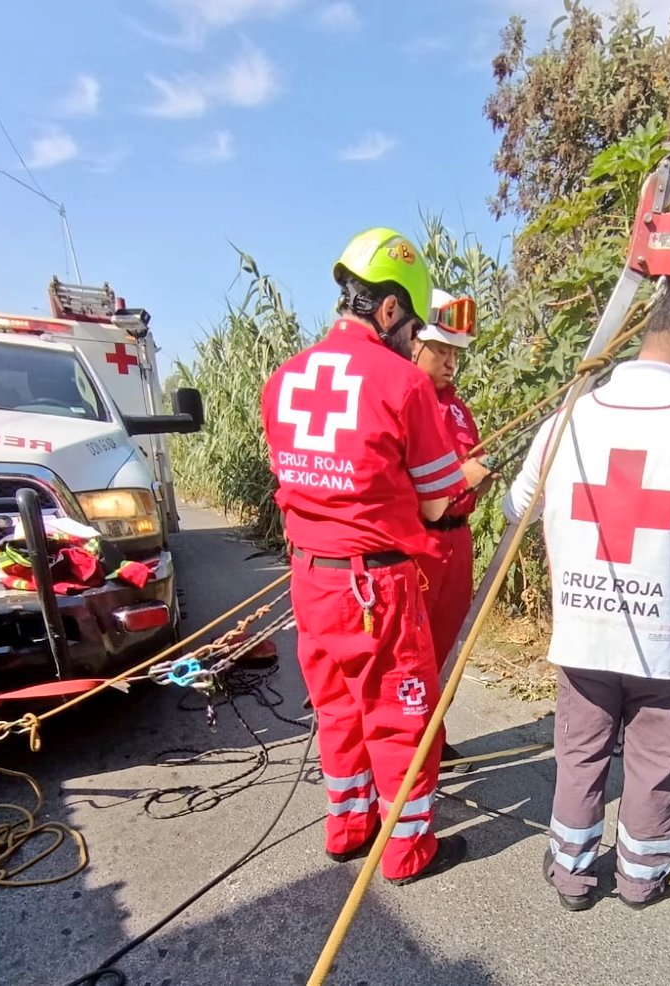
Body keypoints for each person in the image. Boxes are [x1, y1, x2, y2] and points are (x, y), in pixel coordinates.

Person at [503, 286, 670, 911]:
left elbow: (520, 507)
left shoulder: (568, 416)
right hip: (669, 639)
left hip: (582, 633)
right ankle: (641, 879)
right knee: (656, 759)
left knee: (579, 749)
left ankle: (570, 871)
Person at [261, 227, 480, 885]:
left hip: (308, 577)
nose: (414, 338)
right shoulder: (401, 383)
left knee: (336, 708)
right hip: (373, 587)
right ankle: (408, 851)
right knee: (399, 714)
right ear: (388, 309)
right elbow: (441, 497)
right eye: (411, 324)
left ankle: (348, 826)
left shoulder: (283, 380)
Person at [411, 289, 494, 772]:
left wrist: (477, 479)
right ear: (416, 344)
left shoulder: (459, 409)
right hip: (421, 543)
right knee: (415, 654)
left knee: (446, 650)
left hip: (457, 541)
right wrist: (462, 479)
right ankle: (412, 749)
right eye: (440, 349)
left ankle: (433, 738)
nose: (449, 361)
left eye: (455, 352)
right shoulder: (405, 403)